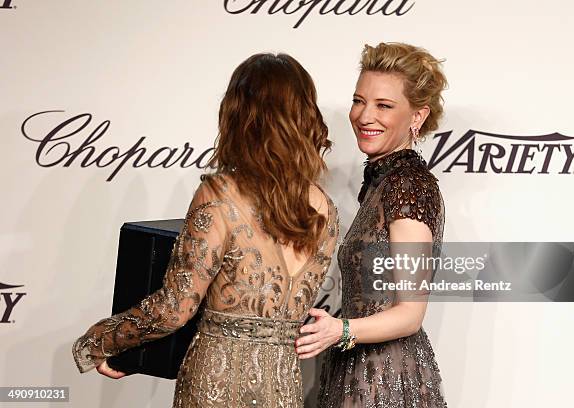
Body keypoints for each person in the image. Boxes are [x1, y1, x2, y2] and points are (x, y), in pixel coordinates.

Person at [72, 53, 339, 408]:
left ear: (239, 115)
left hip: (216, 386)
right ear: (305, 116)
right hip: (282, 390)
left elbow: (174, 307)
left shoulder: (220, 193)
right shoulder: (325, 208)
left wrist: (98, 342)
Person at [294, 42, 448, 407]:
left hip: (385, 379)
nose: (364, 116)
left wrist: (340, 329)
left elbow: (410, 313)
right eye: (359, 100)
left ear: (417, 117)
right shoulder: (384, 182)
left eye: (384, 106)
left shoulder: (407, 186)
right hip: (359, 370)